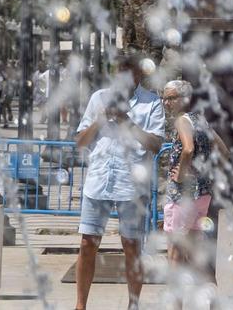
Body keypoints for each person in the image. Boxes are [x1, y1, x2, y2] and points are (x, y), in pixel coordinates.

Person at [73, 57, 164, 310]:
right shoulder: (98, 98)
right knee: (87, 243)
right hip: (99, 180)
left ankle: (133, 305)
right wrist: (100, 120)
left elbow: (155, 145)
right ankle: (80, 306)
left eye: (130, 74)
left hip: (131, 185)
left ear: (139, 77)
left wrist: (127, 121)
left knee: (131, 246)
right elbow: (80, 141)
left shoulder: (152, 103)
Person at [159, 78, 222, 280]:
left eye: (171, 98)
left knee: (175, 254)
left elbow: (188, 148)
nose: (166, 103)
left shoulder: (182, 120)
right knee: (196, 256)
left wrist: (180, 174)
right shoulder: (200, 120)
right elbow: (225, 152)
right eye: (164, 98)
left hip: (181, 196)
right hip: (202, 195)